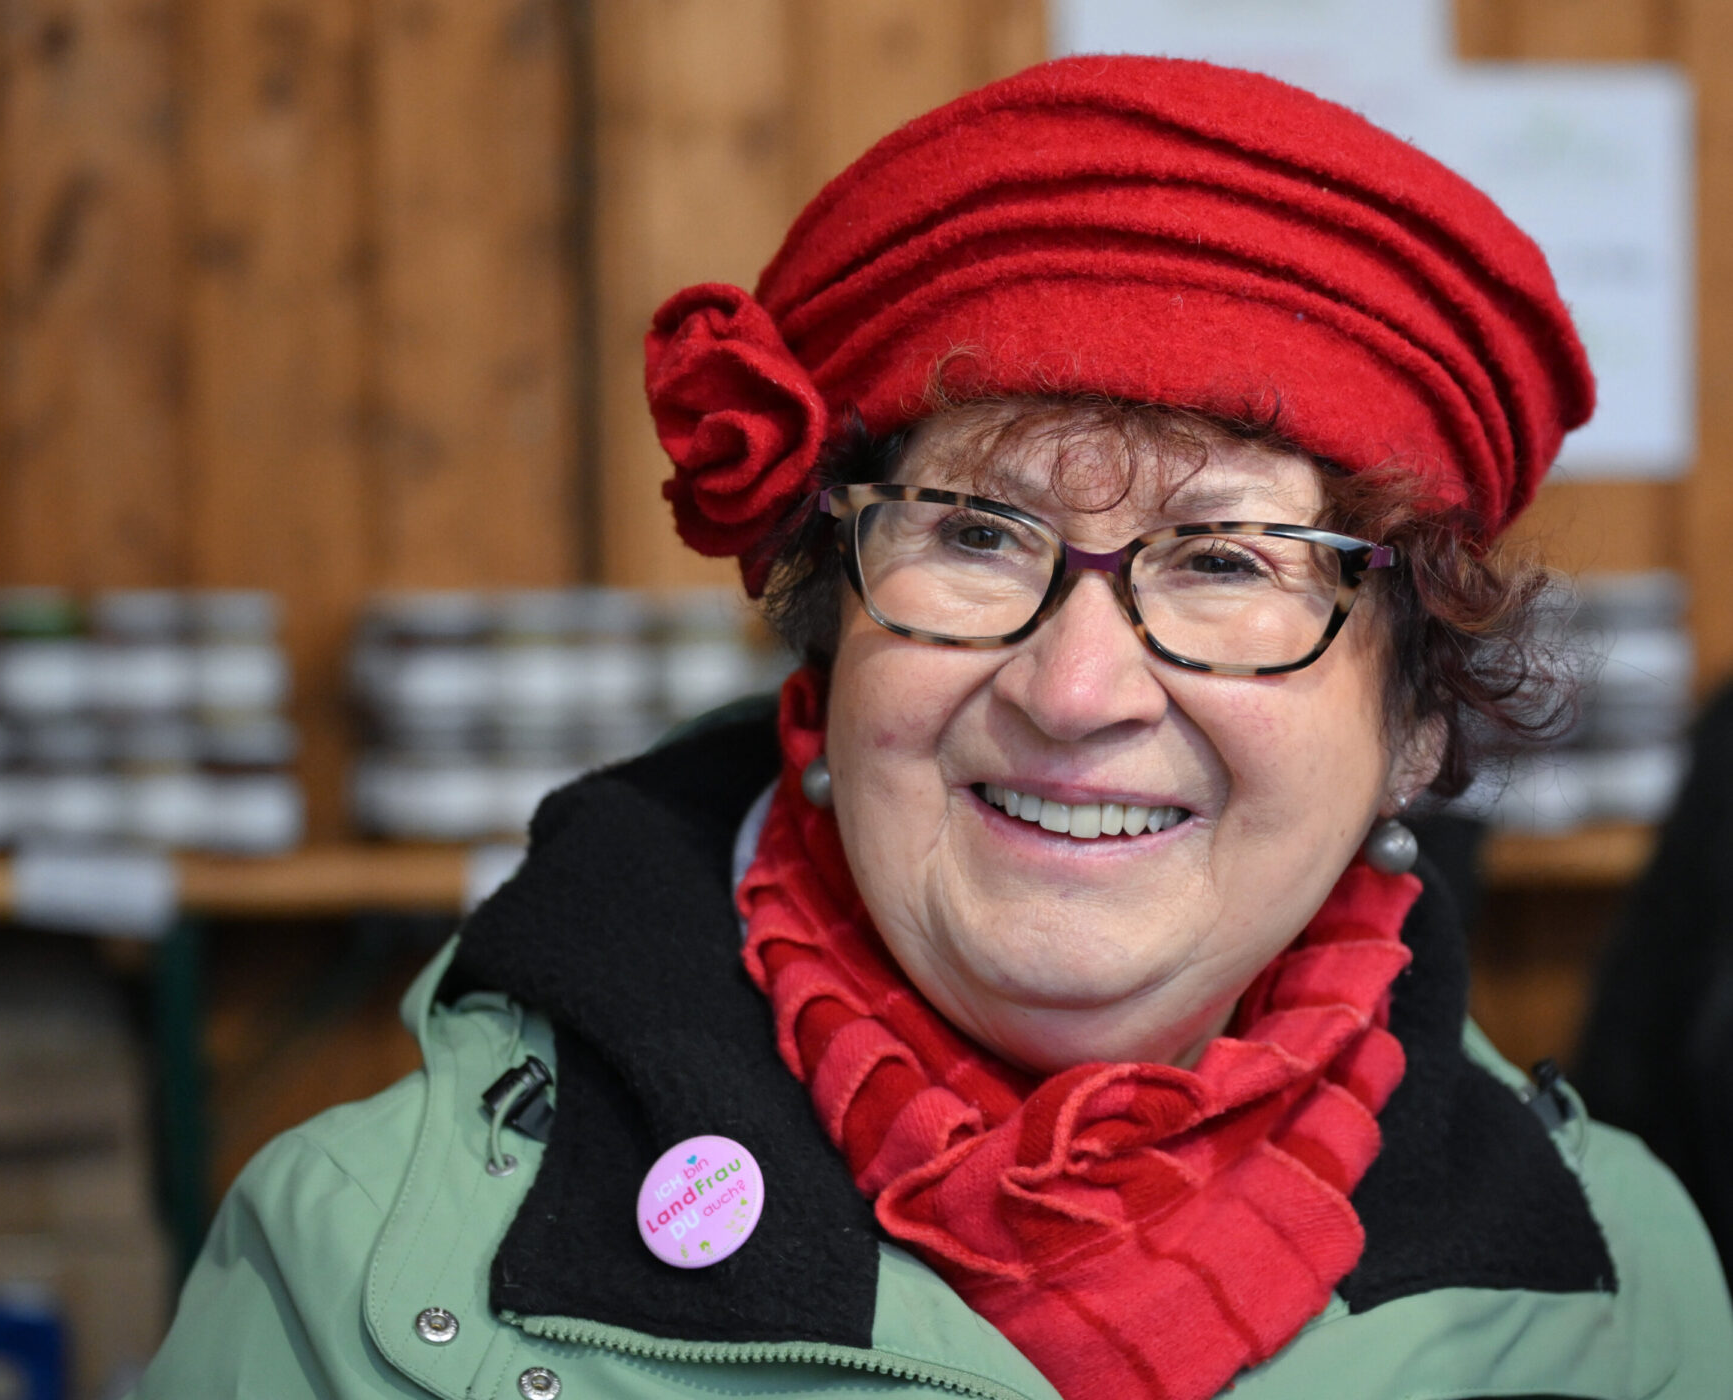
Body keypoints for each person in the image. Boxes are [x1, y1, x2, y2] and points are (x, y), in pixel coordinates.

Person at [133, 55, 1733, 1400]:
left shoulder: (1618, 1297)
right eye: (972, 535)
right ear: (828, 649)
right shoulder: (360, 1266)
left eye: (1232, 560)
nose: (1075, 689)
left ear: (1412, 728)